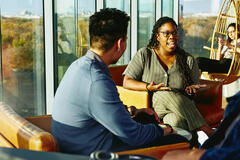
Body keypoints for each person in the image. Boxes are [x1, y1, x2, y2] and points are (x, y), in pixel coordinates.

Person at [52, 8, 188, 156]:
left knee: (145, 118)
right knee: (178, 140)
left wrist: (134, 112)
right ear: (119, 43)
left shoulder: (79, 66)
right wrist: (164, 129)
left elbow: (100, 110)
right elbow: (134, 136)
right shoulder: (97, 80)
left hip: (81, 142)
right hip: (96, 153)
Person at [123, 17, 214, 146]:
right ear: (158, 36)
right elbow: (127, 81)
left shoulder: (188, 60)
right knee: (163, 92)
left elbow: (194, 91)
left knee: (177, 122)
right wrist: (149, 87)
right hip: (152, 106)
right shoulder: (144, 54)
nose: (172, 37)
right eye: (166, 33)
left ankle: (190, 147)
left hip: (179, 109)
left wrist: (192, 91)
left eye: (174, 33)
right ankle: (207, 130)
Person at [162, 90, 240, 160]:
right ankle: (204, 130)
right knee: (167, 94)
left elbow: (193, 83)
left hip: (182, 99)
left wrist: (194, 155)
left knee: (175, 119)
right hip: (156, 97)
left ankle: (192, 145)